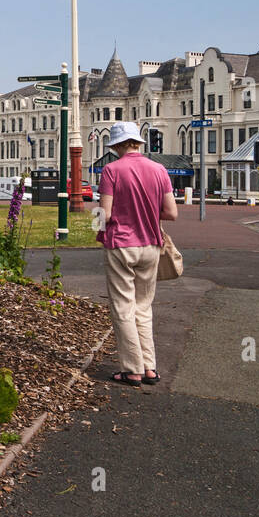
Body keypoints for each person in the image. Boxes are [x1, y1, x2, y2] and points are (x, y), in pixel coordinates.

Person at [95, 121, 179, 387]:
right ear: (137, 143)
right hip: (151, 245)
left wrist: (95, 227)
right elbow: (171, 213)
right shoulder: (159, 169)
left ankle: (132, 370)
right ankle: (150, 367)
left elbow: (105, 214)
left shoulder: (111, 170)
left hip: (121, 244)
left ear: (118, 145)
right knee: (143, 307)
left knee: (123, 307)